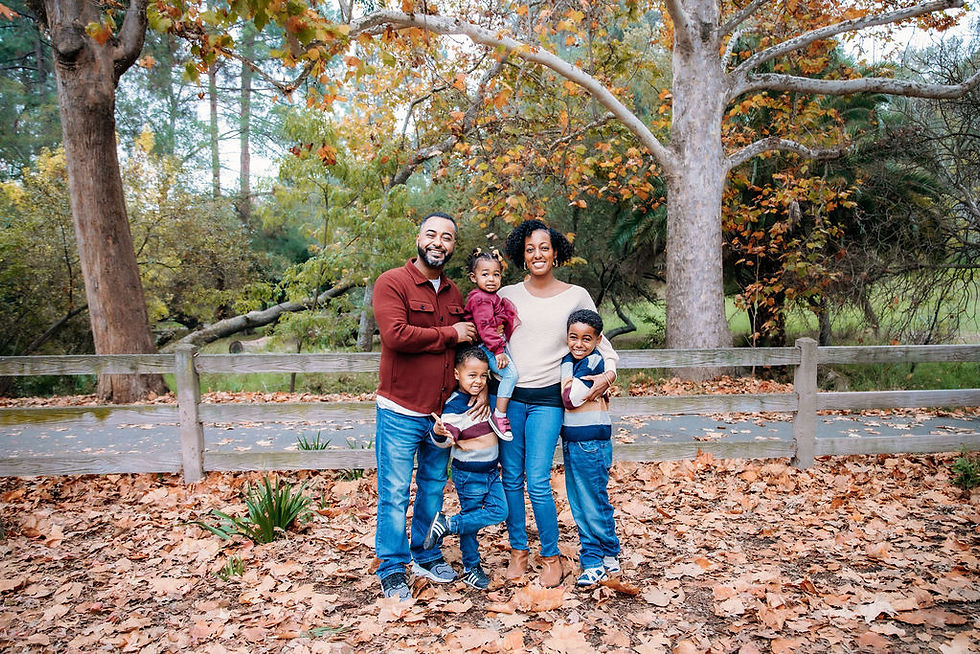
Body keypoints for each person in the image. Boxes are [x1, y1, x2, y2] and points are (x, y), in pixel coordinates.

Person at [496, 219, 619, 587]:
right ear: (522, 254)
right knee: (511, 479)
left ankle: (550, 555)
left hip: (549, 402)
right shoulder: (507, 295)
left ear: (555, 253)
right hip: (509, 400)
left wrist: (608, 375)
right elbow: (491, 341)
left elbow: (602, 344)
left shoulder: (575, 295)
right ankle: (518, 550)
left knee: (537, 480)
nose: (537, 254)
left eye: (544, 248)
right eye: (530, 249)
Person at [372, 212, 486, 600]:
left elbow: (469, 349)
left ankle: (425, 553)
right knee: (393, 492)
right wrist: (449, 333)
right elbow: (395, 335)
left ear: (453, 246)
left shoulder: (455, 293)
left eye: (447, 237)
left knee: (433, 488)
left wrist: (482, 387)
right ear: (419, 239)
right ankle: (391, 568)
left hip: (442, 413)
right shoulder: (393, 282)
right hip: (400, 410)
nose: (439, 242)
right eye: (432, 234)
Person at [423, 346, 510, 590]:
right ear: (457, 374)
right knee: (470, 521)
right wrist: (439, 432)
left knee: (499, 511)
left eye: (483, 375)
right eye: (472, 375)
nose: (478, 381)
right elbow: (446, 439)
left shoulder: (485, 398)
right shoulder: (455, 406)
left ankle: (448, 525)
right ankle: (472, 567)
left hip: (491, 472)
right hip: (469, 474)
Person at [560, 309, 621, 586]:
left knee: (593, 502)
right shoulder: (572, 361)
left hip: (591, 444)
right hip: (573, 441)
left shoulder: (594, 362)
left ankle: (600, 556)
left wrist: (566, 375)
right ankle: (601, 554)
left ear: (598, 340)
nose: (578, 344)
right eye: (573, 337)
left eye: (586, 338)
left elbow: (570, 398)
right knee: (579, 503)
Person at [463, 248, 521, 440]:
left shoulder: (491, 297)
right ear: (473, 277)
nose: (491, 279)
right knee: (511, 374)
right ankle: (499, 415)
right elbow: (485, 327)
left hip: (492, 345)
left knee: (508, 371)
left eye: (496, 274)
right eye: (485, 274)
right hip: (485, 347)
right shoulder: (480, 298)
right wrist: (497, 351)